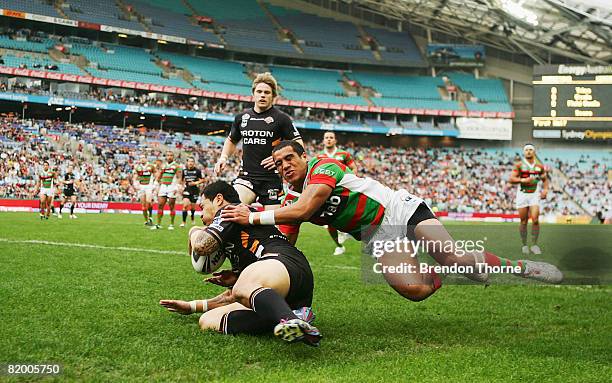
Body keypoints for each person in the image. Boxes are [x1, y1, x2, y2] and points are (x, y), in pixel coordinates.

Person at [221, 141, 563, 304]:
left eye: (289, 158)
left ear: (303, 157)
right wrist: (248, 273)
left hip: (398, 210)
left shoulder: (323, 166)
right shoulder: (286, 202)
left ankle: (522, 266)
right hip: (377, 235)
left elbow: (307, 207)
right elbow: (284, 250)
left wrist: (251, 215)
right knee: (415, 291)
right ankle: (441, 268)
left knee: (456, 257)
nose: (284, 166)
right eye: (278, 164)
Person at [159, 181, 321, 346]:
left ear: (219, 199)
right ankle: (295, 315)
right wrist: (192, 307)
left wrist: (194, 231)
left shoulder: (230, 211)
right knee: (209, 321)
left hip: (285, 262)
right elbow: (235, 296)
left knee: (242, 287)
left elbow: (202, 245)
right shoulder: (234, 235)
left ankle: (290, 319)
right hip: (281, 282)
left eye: (203, 206)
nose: (201, 215)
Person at [214, 72, 303, 209]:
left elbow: (298, 144)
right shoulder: (241, 118)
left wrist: (279, 158)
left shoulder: (281, 119)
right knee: (231, 212)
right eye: (259, 91)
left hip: (271, 179)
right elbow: (231, 140)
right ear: (253, 93)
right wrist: (223, 158)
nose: (262, 95)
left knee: (273, 225)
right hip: (246, 177)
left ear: (273, 96)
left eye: (267, 92)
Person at [316, 131, 358, 255]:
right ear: (323, 140)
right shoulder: (318, 157)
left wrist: (349, 181)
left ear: (335, 140)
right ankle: (339, 245)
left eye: (331, 138)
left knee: (350, 216)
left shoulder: (343, 154)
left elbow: (354, 168)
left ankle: (346, 232)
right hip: (327, 193)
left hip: (343, 191)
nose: (329, 139)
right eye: (326, 138)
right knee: (330, 222)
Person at [509, 144, 549, 255]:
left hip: (534, 194)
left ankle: (535, 245)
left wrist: (545, 190)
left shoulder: (540, 167)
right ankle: (524, 245)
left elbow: (545, 180)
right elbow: (511, 179)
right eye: (526, 150)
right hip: (522, 194)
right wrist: (523, 180)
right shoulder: (519, 165)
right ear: (524, 152)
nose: (528, 151)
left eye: (531, 149)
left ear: (534, 152)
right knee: (524, 221)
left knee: (535, 219)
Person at [152, 151, 183, 230]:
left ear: (173, 157)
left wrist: (177, 186)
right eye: (168, 155)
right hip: (163, 186)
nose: (169, 157)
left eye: (171, 155)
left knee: (171, 206)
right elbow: (160, 175)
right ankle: (158, 224)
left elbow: (179, 177)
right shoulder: (163, 165)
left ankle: (171, 224)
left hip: (172, 186)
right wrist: (156, 182)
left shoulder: (176, 166)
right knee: (160, 205)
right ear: (166, 156)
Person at [180, 157, 205, 227]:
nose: (190, 163)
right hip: (187, 190)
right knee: (185, 205)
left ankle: (192, 217)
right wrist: (181, 187)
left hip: (195, 190)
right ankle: (183, 222)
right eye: (189, 161)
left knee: (193, 207)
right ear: (187, 162)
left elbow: (203, 180)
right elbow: (181, 180)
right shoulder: (184, 171)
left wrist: (195, 183)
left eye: (192, 161)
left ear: (194, 163)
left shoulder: (198, 171)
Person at [133, 154, 156, 226]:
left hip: (149, 186)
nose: (142, 159)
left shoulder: (151, 166)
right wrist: (135, 183)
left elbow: (156, 174)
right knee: (143, 206)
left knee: (148, 201)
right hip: (141, 186)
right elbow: (135, 176)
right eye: (141, 158)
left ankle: (151, 217)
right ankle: (146, 220)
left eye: (143, 158)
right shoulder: (137, 167)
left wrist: (155, 184)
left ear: (146, 159)